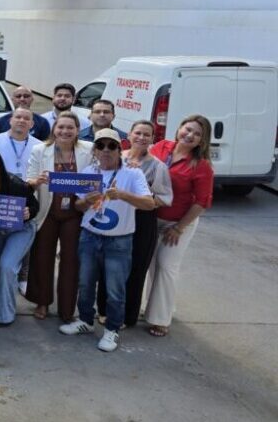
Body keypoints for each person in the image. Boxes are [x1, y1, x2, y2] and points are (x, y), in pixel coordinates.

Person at [60, 129, 155, 352]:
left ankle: (112, 329)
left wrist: (123, 195)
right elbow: (78, 206)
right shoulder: (89, 172)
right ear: (94, 150)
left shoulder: (133, 174)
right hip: (89, 237)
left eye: (111, 146)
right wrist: (86, 201)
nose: (105, 150)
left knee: (115, 289)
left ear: (119, 149)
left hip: (119, 240)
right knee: (85, 283)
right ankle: (85, 320)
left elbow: (149, 204)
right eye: (100, 145)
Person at [97, 120, 174, 327]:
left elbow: (164, 198)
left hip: (141, 220)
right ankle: (104, 309)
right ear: (129, 135)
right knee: (108, 264)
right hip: (114, 216)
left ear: (152, 139)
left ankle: (127, 315)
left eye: (146, 134)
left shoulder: (157, 166)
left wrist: (137, 193)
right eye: (138, 133)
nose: (141, 137)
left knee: (135, 268)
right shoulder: (115, 156)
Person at [145, 115, 214, 338]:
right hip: (151, 217)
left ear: (202, 140)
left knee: (166, 265)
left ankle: (160, 319)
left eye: (197, 134)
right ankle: (156, 308)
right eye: (188, 129)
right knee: (151, 265)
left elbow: (202, 202)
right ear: (179, 128)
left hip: (179, 222)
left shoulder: (201, 166)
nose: (190, 135)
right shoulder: (161, 147)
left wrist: (179, 228)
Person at [25, 111, 93, 322]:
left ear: (77, 130)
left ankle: (67, 308)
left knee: (71, 261)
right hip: (48, 210)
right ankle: (42, 301)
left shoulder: (89, 150)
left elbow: (110, 163)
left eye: (70, 127)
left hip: (75, 212)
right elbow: (29, 180)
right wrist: (37, 180)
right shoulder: (40, 150)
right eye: (61, 127)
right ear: (54, 129)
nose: (65, 131)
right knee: (42, 257)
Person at [0, 149, 40, 326]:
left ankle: (5, 314)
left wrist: (29, 212)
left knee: (7, 266)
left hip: (21, 229)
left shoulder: (15, 183)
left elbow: (34, 205)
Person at [0, 107, 43, 180]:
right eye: (18, 117)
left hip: (28, 186)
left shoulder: (40, 146)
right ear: (10, 121)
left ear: (32, 124)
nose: (22, 120)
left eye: (26, 118)